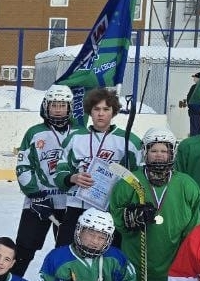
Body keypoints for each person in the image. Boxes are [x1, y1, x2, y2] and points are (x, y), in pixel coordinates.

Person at [108, 127, 200, 281]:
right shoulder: (130, 182)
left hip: (172, 259)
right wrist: (129, 216)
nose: (159, 154)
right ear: (145, 152)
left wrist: (189, 256)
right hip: (136, 259)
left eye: (163, 150)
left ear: (172, 153)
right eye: (153, 150)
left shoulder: (186, 184)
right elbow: (115, 215)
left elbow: (193, 226)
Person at [13, 85, 79, 277]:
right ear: (46, 107)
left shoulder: (80, 133)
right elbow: (23, 165)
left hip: (70, 203)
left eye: (62, 105)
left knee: (68, 253)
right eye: (54, 105)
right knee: (24, 248)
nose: (58, 109)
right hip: (37, 202)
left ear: (70, 107)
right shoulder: (34, 133)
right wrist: (35, 194)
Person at [55, 86, 142, 231]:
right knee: (67, 250)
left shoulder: (128, 141)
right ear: (90, 111)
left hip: (111, 208)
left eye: (106, 109)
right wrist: (72, 178)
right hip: (76, 206)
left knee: (109, 252)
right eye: (96, 109)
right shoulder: (74, 138)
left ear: (113, 112)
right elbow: (59, 172)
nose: (101, 114)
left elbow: (138, 175)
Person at [180, 71, 200, 137]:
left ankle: (195, 144)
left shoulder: (195, 87)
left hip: (195, 113)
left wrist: (194, 109)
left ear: (199, 78)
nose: (194, 79)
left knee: (195, 131)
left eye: (195, 77)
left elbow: (190, 100)